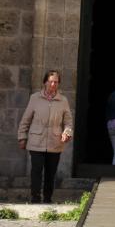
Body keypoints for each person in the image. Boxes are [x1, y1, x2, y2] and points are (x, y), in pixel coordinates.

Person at [17, 70, 73, 203]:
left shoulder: (63, 100)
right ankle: (35, 198)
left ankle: (48, 198)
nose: (53, 84)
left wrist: (67, 133)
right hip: (36, 141)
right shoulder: (35, 98)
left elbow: (68, 122)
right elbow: (26, 119)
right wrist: (22, 137)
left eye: (56, 82)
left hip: (55, 142)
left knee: (50, 173)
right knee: (36, 171)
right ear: (45, 82)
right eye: (51, 81)